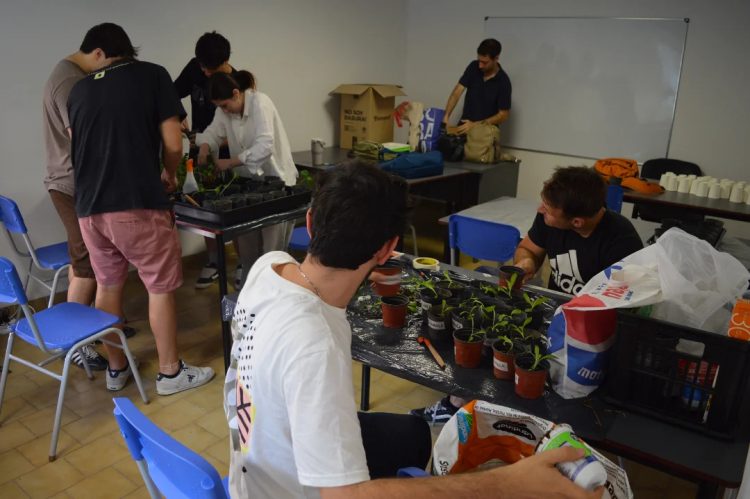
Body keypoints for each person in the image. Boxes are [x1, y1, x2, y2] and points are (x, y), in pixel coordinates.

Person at [224, 161, 602, 499]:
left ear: (310, 223)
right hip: (289, 488)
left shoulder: (269, 267)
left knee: (413, 434)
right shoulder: (314, 345)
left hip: (255, 467)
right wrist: (506, 484)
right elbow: (344, 496)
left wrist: (355, 278)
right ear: (388, 249)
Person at [412, 166, 643, 423]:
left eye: (548, 209)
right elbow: (528, 248)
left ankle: (530, 421)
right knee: (484, 334)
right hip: (552, 311)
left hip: (588, 333)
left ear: (576, 222)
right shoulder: (550, 217)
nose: (540, 210)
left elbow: (624, 306)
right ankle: (457, 404)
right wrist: (526, 262)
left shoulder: (621, 242)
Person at [67, 23, 214, 395]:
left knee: (107, 285)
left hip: (88, 208)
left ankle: (117, 368)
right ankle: (170, 372)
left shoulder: (79, 89)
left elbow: (76, 144)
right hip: (136, 201)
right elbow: (174, 143)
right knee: (159, 286)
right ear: (128, 49)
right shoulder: (153, 75)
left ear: (100, 52)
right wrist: (169, 172)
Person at [195, 70, 297, 287]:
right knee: (247, 248)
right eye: (219, 107)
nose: (223, 110)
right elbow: (213, 132)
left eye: (225, 105)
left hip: (277, 183)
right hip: (249, 186)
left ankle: (272, 292)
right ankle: (251, 291)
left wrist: (231, 162)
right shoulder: (224, 111)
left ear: (236, 93)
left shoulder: (260, 103)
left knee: (272, 252)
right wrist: (204, 146)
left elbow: (265, 145)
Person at [174, 31, 243, 289]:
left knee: (234, 208)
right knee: (205, 207)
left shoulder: (237, 83)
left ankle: (243, 262)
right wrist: (179, 114)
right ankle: (214, 261)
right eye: (202, 66)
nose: (204, 72)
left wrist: (211, 142)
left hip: (228, 153)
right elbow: (171, 92)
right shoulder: (196, 67)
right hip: (199, 149)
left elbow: (241, 132)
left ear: (225, 62)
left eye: (209, 69)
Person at [441, 38, 511, 135]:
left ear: (496, 58)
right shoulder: (473, 67)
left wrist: (475, 125)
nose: (480, 66)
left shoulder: (503, 81)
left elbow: (503, 115)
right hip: (465, 124)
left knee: (474, 143)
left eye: (484, 62)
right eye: (479, 61)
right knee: (444, 141)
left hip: (485, 130)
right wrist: (446, 117)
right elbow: (458, 91)